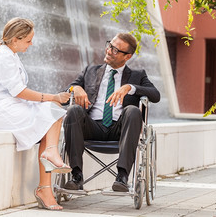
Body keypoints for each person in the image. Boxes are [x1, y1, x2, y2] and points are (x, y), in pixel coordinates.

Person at [0, 17, 71, 211]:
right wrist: (52, 96)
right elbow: (18, 91)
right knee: (51, 110)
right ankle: (48, 167)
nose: (31, 44)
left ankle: (46, 185)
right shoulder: (3, 56)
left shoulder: (11, 54)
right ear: (15, 40)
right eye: (28, 40)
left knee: (53, 113)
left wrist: (50, 100)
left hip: (10, 107)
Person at [63, 33, 160, 192]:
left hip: (121, 130)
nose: (108, 51)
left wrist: (130, 88)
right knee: (73, 110)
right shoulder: (90, 71)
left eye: (115, 50)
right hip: (92, 127)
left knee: (133, 111)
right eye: (109, 46)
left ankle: (122, 176)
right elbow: (64, 96)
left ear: (127, 56)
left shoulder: (137, 75)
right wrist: (75, 88)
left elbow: (155, 95)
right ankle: (76, 175)